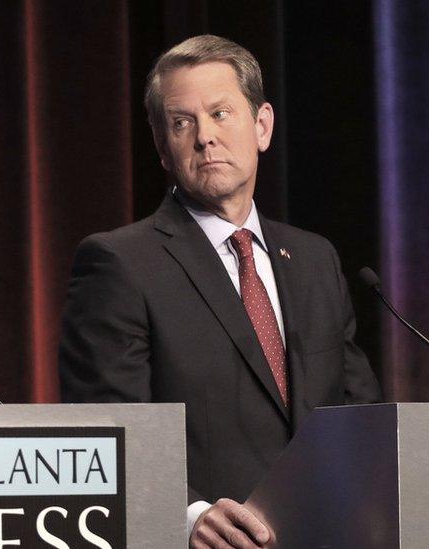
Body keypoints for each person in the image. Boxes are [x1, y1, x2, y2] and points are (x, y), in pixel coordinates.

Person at [58, 35, 381, 549]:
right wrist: (187, 516)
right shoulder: (120, 264)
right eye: (182, 122)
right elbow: (106, 434)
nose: (205, 137)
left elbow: (357, 413)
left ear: (262, 126)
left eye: (221, 113)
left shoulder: (316, 259)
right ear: (163, 147)